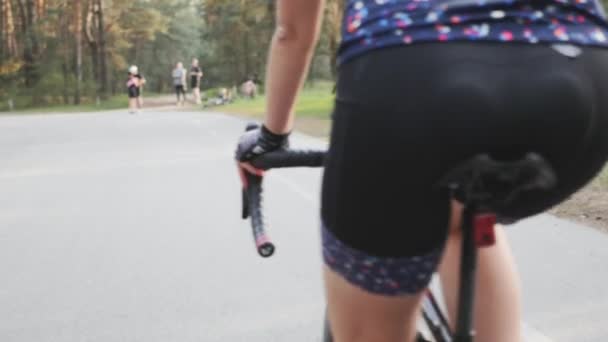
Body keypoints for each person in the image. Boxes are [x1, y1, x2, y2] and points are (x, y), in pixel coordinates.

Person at [236, 1, 608, 341]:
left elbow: (293, 32)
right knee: (462, 222)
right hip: (582, 69)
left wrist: (271, 138)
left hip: (410, 69)